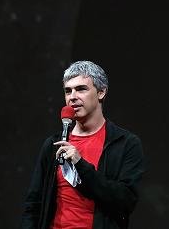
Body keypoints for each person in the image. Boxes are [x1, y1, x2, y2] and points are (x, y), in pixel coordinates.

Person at [21, 60, 145, 229]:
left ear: (101, 92)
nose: (72, 97)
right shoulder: (53, 144)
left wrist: (80, 164)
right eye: (68, 91)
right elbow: (33, 204)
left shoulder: (125, 144)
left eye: (81, 89)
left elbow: (126, 200)